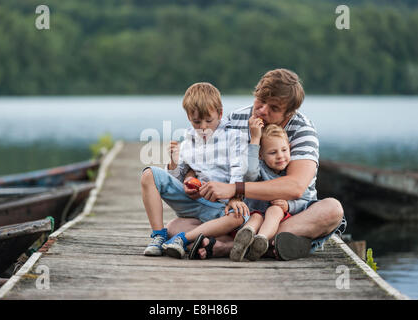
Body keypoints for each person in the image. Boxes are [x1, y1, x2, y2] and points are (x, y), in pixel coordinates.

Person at [166, 68, 346, 260]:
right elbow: (201, 158)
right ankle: (272, 244)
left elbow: (295, 187)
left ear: (289, 113)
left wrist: (234, 188)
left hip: (289, 213)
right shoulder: (235, 120)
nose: (262, 110)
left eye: (274, 108)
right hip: (240, 216)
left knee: (332, 210)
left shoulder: (302, 130)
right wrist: (191, 179)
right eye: (260, 101)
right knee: (174, 227)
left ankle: (228, 246)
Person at [141, 82, 248, 259]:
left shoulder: (233, 137)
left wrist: (235, 197)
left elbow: (239, 168)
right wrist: (174, 164)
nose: (203, 127)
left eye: (209, 121)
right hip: (195, 203)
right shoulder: (189, 139)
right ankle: (158, 236)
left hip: (221, 208)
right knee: (149, 174)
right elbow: (178, 177)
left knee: (239, 217)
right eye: (197, 122)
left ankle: (187, 239)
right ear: (189, 117)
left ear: (220, 114)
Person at [230, 123, 317, 262]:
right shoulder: (260, 169)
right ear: (260, 155)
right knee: (256, 218)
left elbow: (307, 199)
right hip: (254, 215)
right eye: (272, 152)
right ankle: (243, 239)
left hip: (277, 222)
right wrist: (255, 140)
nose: (280, 156)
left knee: (276, 210)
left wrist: (289, 206)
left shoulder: (292, 175)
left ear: (290, 149)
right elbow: (250, 173)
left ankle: (261, 240)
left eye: (284, 150)